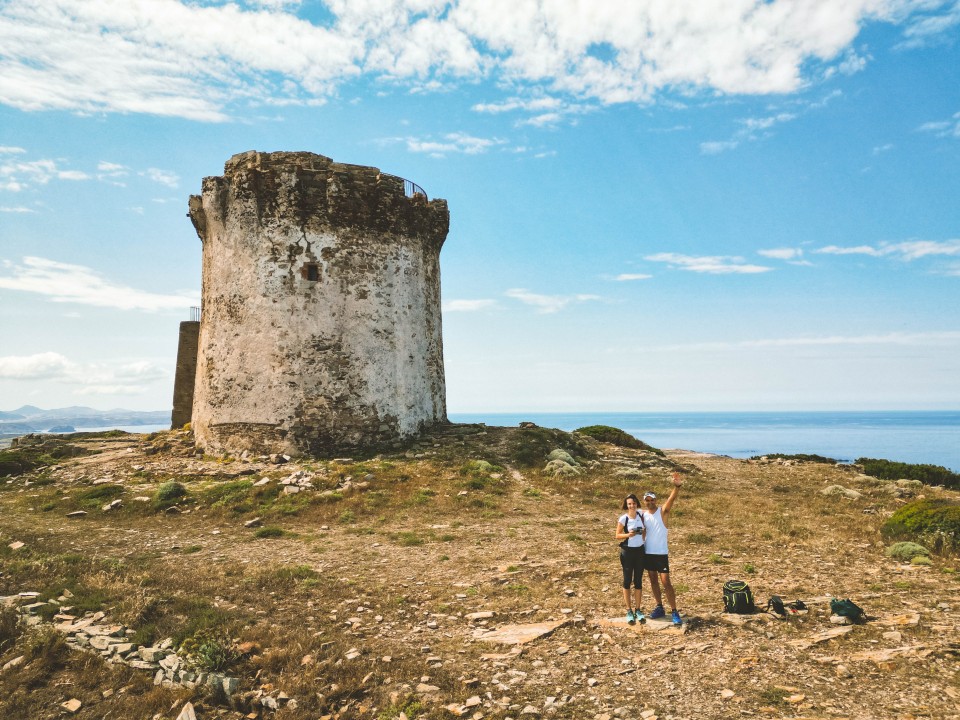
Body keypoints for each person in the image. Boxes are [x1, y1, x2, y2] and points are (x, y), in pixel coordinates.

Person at [642, 472, 683, 625]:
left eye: (652, 500)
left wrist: (676, 487)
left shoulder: (662, 511)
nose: (650, 502)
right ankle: (659, 607)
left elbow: (671, 500)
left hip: (660, 553)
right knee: (653, 580)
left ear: (656, 500)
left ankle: (674, 611)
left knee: (666, 582)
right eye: (647, 500)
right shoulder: (643, 515)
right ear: (644, 502)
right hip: (648, 553)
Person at [615, 493, 646, 624]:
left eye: (633, 503)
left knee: (638, 580)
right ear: (626, 505)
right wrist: (629, 534)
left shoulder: (641, 515)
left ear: (637, 504)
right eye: (629, 504)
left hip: (640, 551)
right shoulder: (623, 518)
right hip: (627, 552)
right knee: (627, 580)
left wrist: (643, 536)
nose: (632, 506)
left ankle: (638, 609)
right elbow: (617, 535)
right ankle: (628, 610)